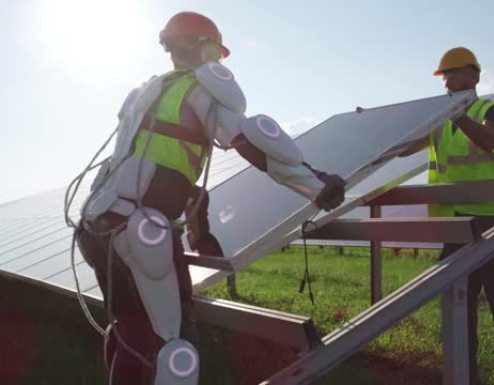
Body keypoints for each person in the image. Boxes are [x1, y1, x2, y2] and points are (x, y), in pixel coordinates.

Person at [75, 11, 345, 385]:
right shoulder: (199, 91)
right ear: (197, 46)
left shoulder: (146, 92)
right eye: (215, 50)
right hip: (140, 229)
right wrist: (316, 185)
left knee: (130, 327)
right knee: (174, 344)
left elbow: (146, 160)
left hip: (95, 223)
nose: (217, 60)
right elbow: (251, 139)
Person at [403, 47, 494, 385]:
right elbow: (404, 145)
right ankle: (465, 378)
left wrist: (456, 114)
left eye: (453, 73)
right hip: (456, 224)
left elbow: (491, 139)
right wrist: (372, 128)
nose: (447, 80)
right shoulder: (440, 121)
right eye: (443, 75)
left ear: (474, 75)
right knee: (457, 309)